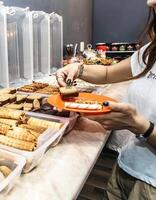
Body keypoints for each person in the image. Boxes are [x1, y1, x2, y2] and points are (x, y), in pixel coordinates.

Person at [56, 0, 156, 199]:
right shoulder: (150, 52)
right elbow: (108, 74)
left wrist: (143, 127)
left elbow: (142, 126)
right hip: (125, 168)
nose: (149, 2)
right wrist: (79, 68)